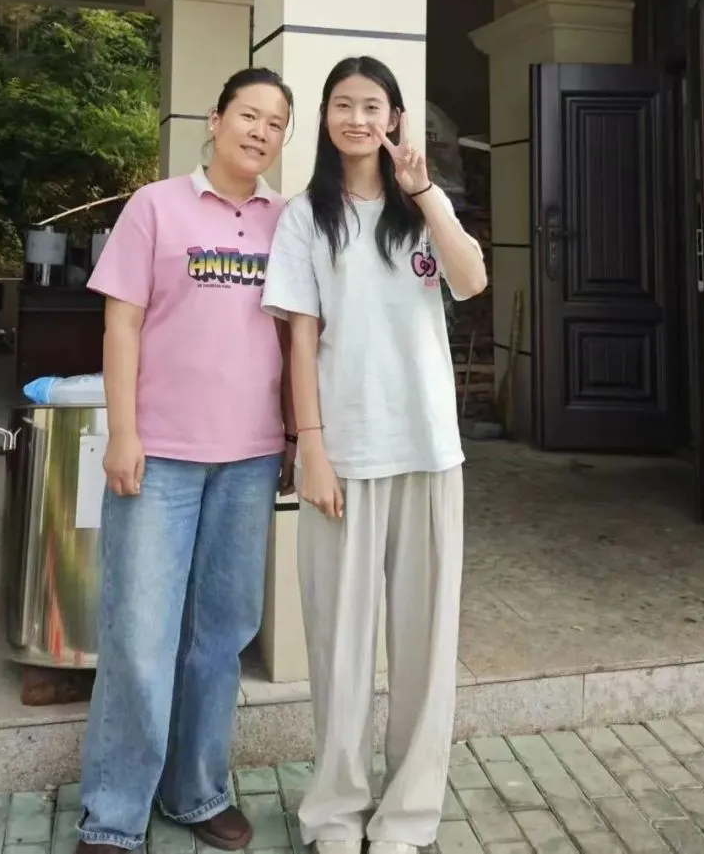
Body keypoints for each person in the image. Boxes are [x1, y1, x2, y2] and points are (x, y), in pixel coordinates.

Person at [262, 55, 487, 854]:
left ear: (394, 117)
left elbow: (471, 280)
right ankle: (334, 813)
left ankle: (406, 818)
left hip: (428, 449)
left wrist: (424, 192)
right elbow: (300, 340)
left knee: (425, 649)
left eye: (371, 105)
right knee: (338, 647)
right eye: (341, 105)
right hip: (345, 457)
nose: (356, 118)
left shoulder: (422, 206)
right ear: (325, 118)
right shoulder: (304, 217)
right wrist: (310, 449)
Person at [77, 67, 296, 854]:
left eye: (276, 122)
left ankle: (197, 790)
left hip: (249, 459)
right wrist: (123, 432)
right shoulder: (155, 205)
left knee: (221, 637)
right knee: (139, 636)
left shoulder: (288, 221)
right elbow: (121, 324)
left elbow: (299, 336)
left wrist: (297, 436)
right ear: (216, 118)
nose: (260, 131)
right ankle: (113, 814)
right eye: (248, 114)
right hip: (160, 455)